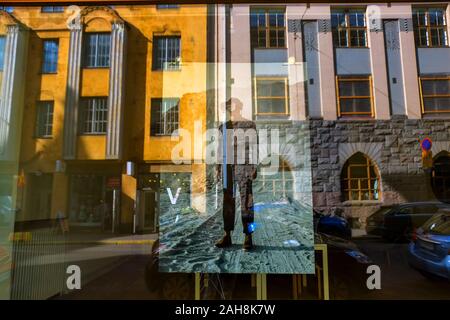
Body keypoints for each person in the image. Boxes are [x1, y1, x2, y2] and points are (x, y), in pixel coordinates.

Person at [215, 98, 257, 250]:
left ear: (239, 107)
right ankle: (227, 235)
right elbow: (220, 149)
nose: (230, 108)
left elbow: (254, 147)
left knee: (247, 201)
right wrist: (218, 168)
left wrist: (254, 166)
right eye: (228, 106)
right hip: (227, 167)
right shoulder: (223, 127)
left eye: (233, 105)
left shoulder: (249, 125)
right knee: (227, 201)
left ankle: (248, 236)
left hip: (244, 166)